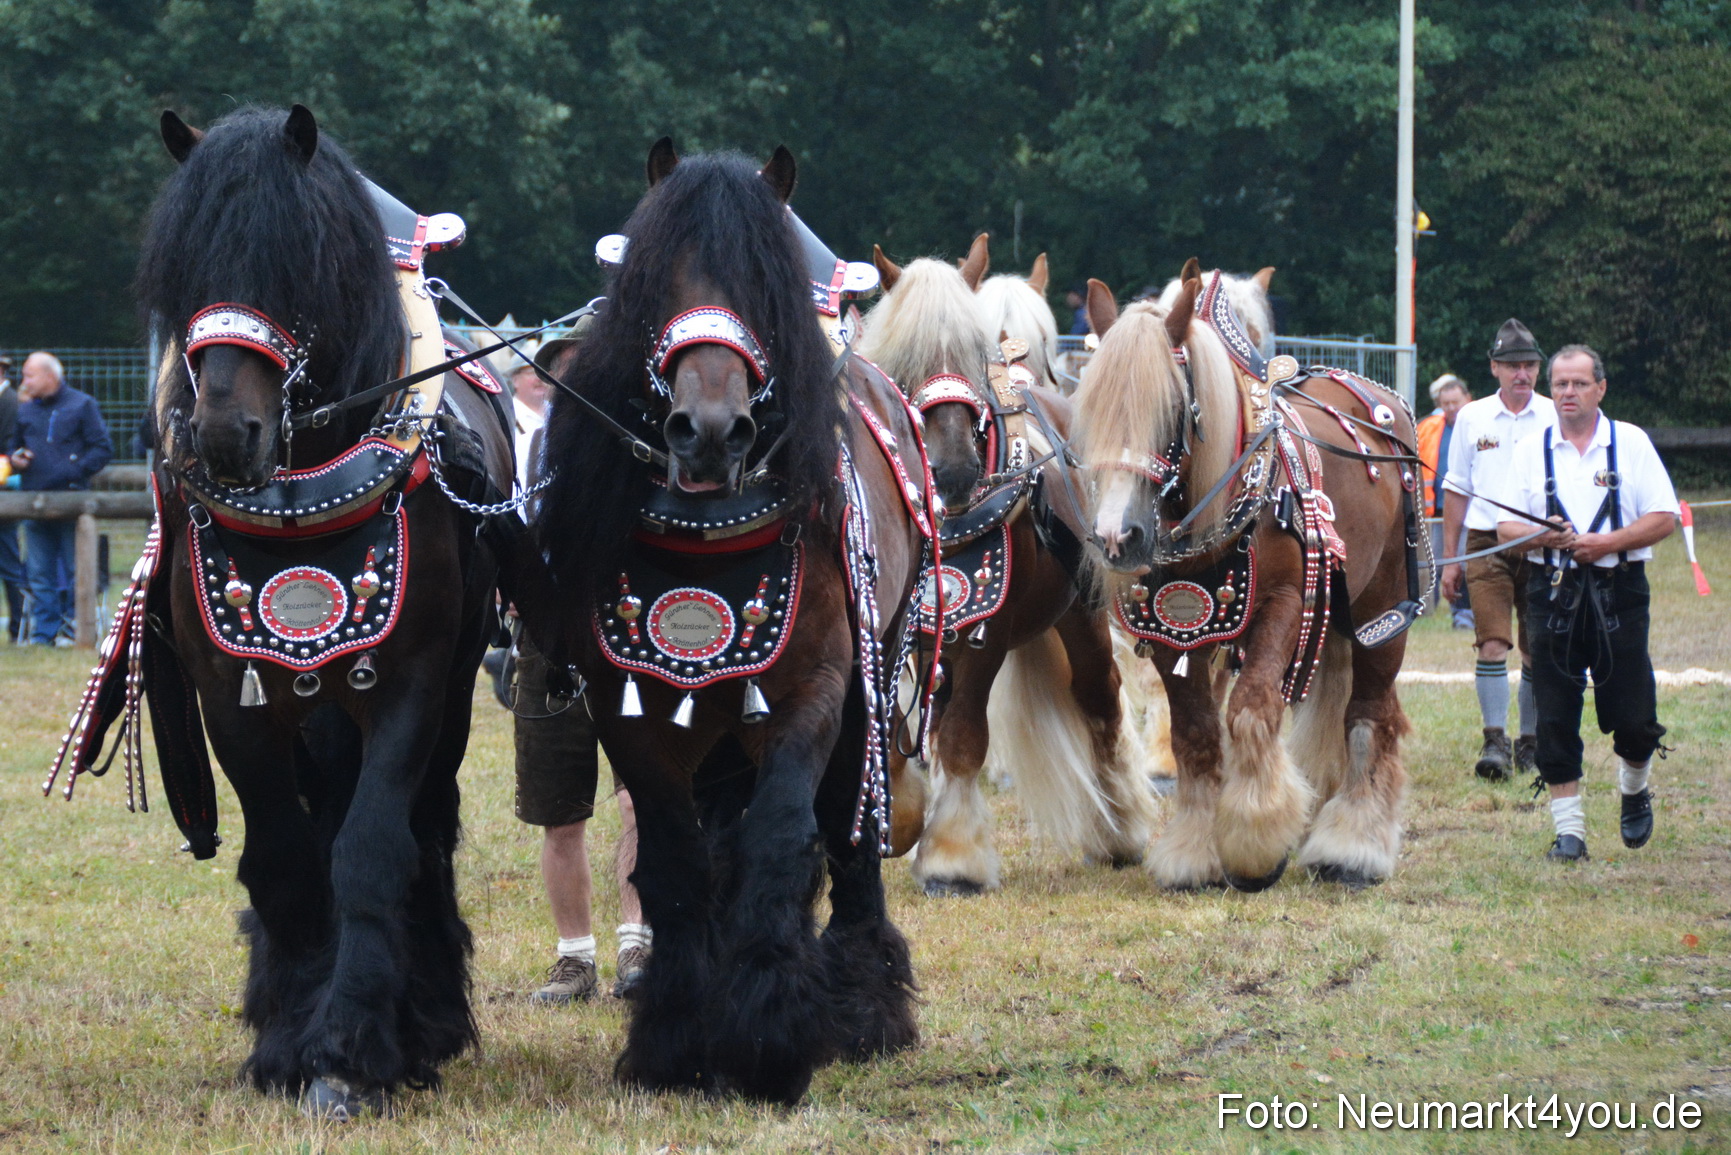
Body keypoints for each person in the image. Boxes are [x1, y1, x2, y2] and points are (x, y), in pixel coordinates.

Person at [1492, 345, 1678, 862]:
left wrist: (1607, 542)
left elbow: (1664, 516)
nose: (1567, 393)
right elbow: (1506, 527)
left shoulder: (1631, 443)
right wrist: (1542, 536)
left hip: (1620, 591)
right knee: (1553, 714)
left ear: (1600, 388)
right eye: (1560, 384)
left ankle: (1635, 788)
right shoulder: (1533, 448)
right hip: (1551, 594)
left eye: (1578, 384)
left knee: (1635, 714)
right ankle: (1569, 833)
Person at [513, 322, 651, 1003]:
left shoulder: (642, 450)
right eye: (557, 373)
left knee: (638, 799)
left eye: (584, 372)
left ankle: (637, 946)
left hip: (628, 635)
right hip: (548, 639)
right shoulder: (530, 442)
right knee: (558, 813)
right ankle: (574, 959)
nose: (566, 385)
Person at [1439, 320, 1556, 780]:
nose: (1520, 374)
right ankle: (1495, 743)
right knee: (1491, 643)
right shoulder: (1472, 417)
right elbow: (1456, 489)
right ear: (1494, 368)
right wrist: (1451, 559)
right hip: (1485, 541)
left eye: (1528, 365)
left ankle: (1530, 742)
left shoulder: (1553, 415)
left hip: (1539, 539)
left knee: (1535, 649)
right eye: (1511, 366)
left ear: (1537, 369)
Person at [6, 352, 112, 646]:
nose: (23, 381)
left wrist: (72, 470)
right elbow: (13, 450)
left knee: (76, 569)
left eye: (29, 375)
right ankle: (43, 633)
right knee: (39, 572)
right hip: (34, 503)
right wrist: (18, 460)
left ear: (50, 376)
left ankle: (73, 628)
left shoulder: (82, 405)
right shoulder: (25, 411)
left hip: (73, 503)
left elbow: (102, 449)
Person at [1416, 373, 1473, 628]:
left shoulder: (1477, 426)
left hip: (1469, 509)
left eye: (1455, 402)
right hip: (1436, 510)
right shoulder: (1428, 427)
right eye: (1446, 403)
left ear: (1467, 399)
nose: (1451, 407)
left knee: (1464, 563)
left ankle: (1463, 615)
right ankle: (1425, 611)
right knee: (1437, 564)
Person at [0, 355, 25, 642]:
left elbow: (8, 447)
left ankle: (17, 625)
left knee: (8, 563)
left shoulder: (10, 403)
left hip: (4, 492)